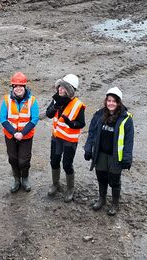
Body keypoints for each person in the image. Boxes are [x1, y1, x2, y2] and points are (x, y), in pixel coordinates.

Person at [84, 87, 134, 216]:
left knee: (114, 180)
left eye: (114, 101)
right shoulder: (99, 115)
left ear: (119, 103)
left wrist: (127, 158)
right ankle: (102, 199)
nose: (111, 103)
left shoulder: (126, 119)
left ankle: (115, 203)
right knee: (101, 176)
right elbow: (91, 133)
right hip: (100, 154)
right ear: (106, 101)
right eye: (109, 100)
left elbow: (129, 141)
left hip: (115, 156)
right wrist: (88, 149)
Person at [46, 74, 86, 202]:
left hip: (69, 140)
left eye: (63, 88)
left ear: (70, 91)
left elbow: (81, 123)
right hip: (56, 138)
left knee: (67, 164)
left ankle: (70, 189)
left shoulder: (78, 105)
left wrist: (71, 123)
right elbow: (48, 114)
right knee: (54, 161)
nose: (60, 90)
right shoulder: (56, 99)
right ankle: (56, 184)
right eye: (60, 87)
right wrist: (54, 107)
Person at [0, 72, 40, 193]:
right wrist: (13, 133)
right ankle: (16, 180)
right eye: (15, 86)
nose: (18, 88)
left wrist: (22, 133)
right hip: (10, 135)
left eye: (20, 86)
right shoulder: (7, 100)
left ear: (25, 87)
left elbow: (35, 118)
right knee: (12, 158)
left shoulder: (32, 101)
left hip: (26, 136)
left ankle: (25, 178)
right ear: (12, 87)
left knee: (24, 160)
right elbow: (2, 118)